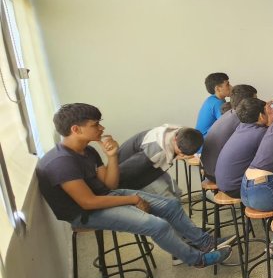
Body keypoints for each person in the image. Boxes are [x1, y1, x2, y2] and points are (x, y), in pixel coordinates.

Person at [36, 103, 231, 268]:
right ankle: (197, 259)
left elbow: (110, 185)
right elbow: (88, 202)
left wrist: (112, 157)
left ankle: (204, 242)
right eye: (95, 125)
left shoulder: (87, 151)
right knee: (158, 225)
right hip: (84, 214)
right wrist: (133, 199)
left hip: (107, 197)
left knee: (171, 206)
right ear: (75, 129)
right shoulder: (61, 163)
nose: (101, 128)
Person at [118, 125, 203, 198]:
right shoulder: (156, 149)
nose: (181, 156)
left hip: (152, 167)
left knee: (176, 192)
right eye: (181, 153)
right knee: (169, 201)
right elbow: (123, 172)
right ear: (175, 139)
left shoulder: (180, 132)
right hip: (133, 176)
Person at [201, 84, 257, 181]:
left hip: (209, 170)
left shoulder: (230, 114)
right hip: (217, 175)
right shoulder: (241, 120)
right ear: (247, 103)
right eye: (255, 100)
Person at [215, 98, 268, 198]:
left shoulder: (241, 127)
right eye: (267, 110)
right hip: (236, 188)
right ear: (261, 116)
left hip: (223, 184)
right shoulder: (259, 134)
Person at [195, 72, 232, 136]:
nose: (231, 87)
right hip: (206, 142)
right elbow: (228, 125)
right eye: (227, 85)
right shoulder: (217, 103)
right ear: (217, 89)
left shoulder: (212, 100)